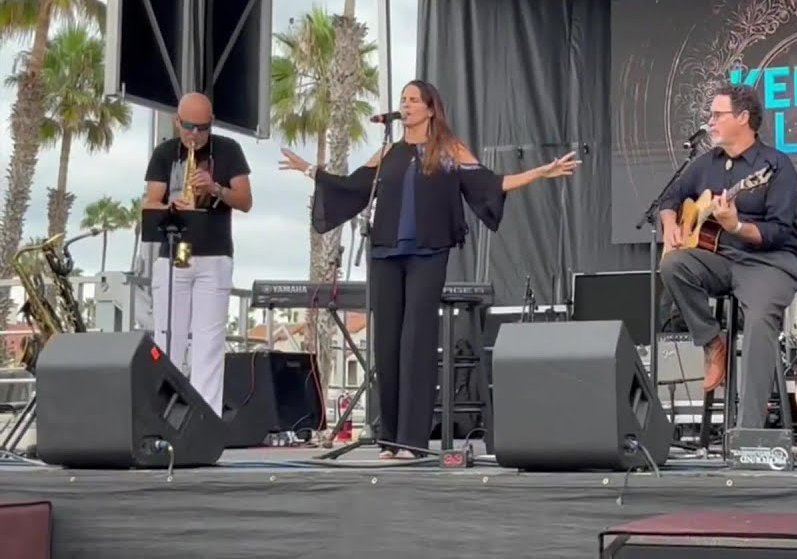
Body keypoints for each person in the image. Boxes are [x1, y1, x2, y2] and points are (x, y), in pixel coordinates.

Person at [278, 80, 580, 459]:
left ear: (430, 109)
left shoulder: (449, 150)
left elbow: (492, 183)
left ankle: (412, 442)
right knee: (386, 345)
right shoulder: (388, 151)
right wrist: (310, 170)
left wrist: (540, 173)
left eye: (413, 100)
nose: (405, 105)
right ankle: (390, 438)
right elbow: (354, 186)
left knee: (416, 342)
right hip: (385, 253)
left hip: (428, 253)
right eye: (402, 99)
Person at [657, 83, 797, 430]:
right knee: (673, 263)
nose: (711, 122)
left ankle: (749, 432)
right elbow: (668, 199)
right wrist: (670, 224)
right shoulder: (705, 164)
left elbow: (780, 232)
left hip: (769, 262)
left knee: (758, 325)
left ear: (743, 118)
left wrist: (736, 225)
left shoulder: (775, 167)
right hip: (720, 259)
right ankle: (712, 342)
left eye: (717, 115)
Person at [142, 92, 253, 414]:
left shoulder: (228, 150)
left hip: (214, 254)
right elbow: (150, 202)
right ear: (177, 122)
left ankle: (206, 419)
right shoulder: (164, 152)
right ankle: (164, 414)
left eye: (202, 128)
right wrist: (171, 206)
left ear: (212, 123)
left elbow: (245, 201)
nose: (194, 135)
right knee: (168, 338)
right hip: (176, 253)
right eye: (189, 127)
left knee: (209, 343)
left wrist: (215, 188)